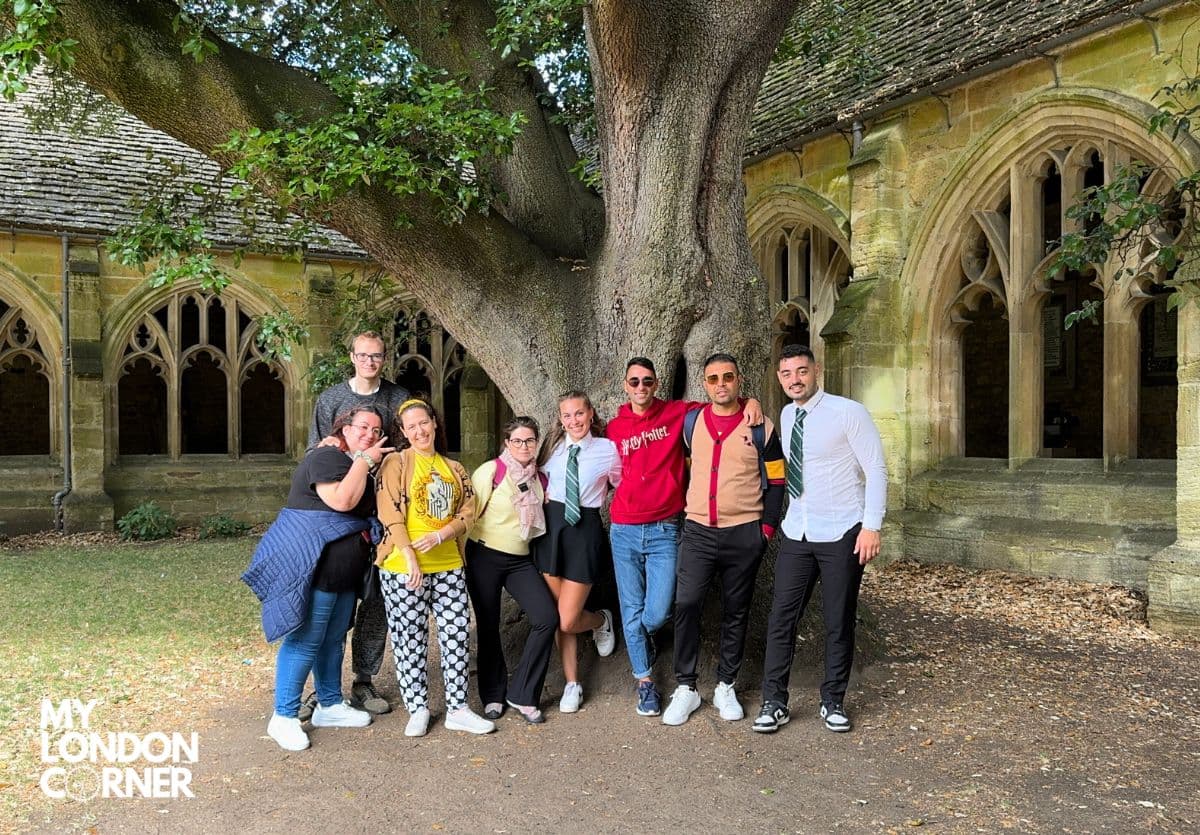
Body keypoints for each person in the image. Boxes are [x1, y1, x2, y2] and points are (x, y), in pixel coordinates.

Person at [605, 357, 762, 716]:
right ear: (625, 385)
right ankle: (644, 681)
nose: (641, 388)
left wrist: (753, 401)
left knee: (656, 613)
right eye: (634, 382)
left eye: (647, 382)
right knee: (631, 609)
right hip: (623, 528)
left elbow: (723, 403)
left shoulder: (680, 414)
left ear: (656, 384)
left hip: (665, 527)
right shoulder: (613, 428)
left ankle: (635, 634)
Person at [752, 344, 887, 734]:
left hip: (843, 530)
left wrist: (871, 525)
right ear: (780, 378)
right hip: (798, 529)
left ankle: (833, 701)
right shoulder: (788, 414)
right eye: (787, 374)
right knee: (781, 617)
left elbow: (875, 469)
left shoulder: (848, 412)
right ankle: (774, 701)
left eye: (801, 372)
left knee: (837, 618)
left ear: (816, 371)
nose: (795, 380)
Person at [243, 407, 393, 751]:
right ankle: (283, 716)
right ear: (344, 428)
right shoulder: (326, 456)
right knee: (306, 639)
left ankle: (329, 704)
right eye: (363, 428)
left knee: (333, 639)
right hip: (316, 570)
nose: (369, 435)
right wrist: (365, 461)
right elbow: (342, 500)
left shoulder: (356, 464)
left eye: (376, 430)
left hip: (344, 573)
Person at [662, 353, 786, 726]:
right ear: (705, 384)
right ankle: (686, 686)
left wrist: (764, 531)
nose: (721, 384)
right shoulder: (692, 422)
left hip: (743, 533)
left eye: (727, 377)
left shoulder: (761, 426)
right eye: (713, 378)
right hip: (698, 531)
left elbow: (778, 480)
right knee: (686, 603)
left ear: (739, 379)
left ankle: (726, 685)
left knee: (737, 611)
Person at [306, 330, 410, 719]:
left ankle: (364, 681)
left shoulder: (398, 399)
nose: (370, 361)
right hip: (338, 516)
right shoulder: (331, 399)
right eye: (363, 355)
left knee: (376, 602)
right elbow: (315, 450)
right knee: (333, 606)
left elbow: (409, 451)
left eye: (377, 356)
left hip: (382, 511)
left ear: (385, 358)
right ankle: (324, 691)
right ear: (352, 356)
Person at [375, 398, 493, 736]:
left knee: (455, 633)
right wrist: (410, 555)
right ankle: (418, 708)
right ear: (403, 431)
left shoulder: (454, 469)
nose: (419, 430)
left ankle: (458, 708)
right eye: (411, 426)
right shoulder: (396, 463)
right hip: (402, 568)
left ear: (434, 423)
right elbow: (389, 511)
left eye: (423, 423)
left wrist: (444, 533)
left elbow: (468, 511)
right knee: (409, 637)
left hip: (449, 565)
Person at [465, 417, 558, 724]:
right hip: (484, 555)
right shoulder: (491, 472)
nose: (523, 446)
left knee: (547, 617)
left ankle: (522, 693)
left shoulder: (538, 478)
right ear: (507, 443)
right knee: (489, 625)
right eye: (517, 441)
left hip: (520, 559)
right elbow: (467, 514)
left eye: (529, 441)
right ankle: (492, 695)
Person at [535, 391, 622, 714]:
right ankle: (573, 683)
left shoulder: (608, 450)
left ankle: (600, 621)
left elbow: (620, 484)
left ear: (590, 413)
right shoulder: (550, 450)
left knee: (569, 618)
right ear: (560, 419)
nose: (574, 421)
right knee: (559, 616)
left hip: (584, 531)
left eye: (579, 414)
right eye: (567, 416)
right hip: (551, 532)